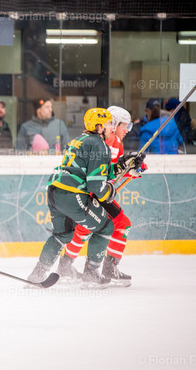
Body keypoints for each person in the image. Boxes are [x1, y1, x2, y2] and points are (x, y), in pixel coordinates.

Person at [27, 108, 127, 289]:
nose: (111, 128)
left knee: (62, 235)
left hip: (54, 191)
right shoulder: (99, 144)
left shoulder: (79, 140)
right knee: (105, 228)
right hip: (72, 194)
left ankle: (37, 274)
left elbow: (91, 169)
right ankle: (91, 273)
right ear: (98, 127)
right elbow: (96, 186)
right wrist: (110, 191)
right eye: (108, 124)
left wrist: (120, 167)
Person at [57, 106, 146, 287]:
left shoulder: (110, 141)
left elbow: (109, 170)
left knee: (85, 228)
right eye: (124, 126)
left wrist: (131, 168)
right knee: (121, 223)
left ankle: (65, 266)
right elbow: (103, 172)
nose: (127, 131)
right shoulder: (110, 140)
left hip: (91, 191)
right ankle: (103, 268)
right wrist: (128, 170)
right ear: (113, 124)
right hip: (95, 192)